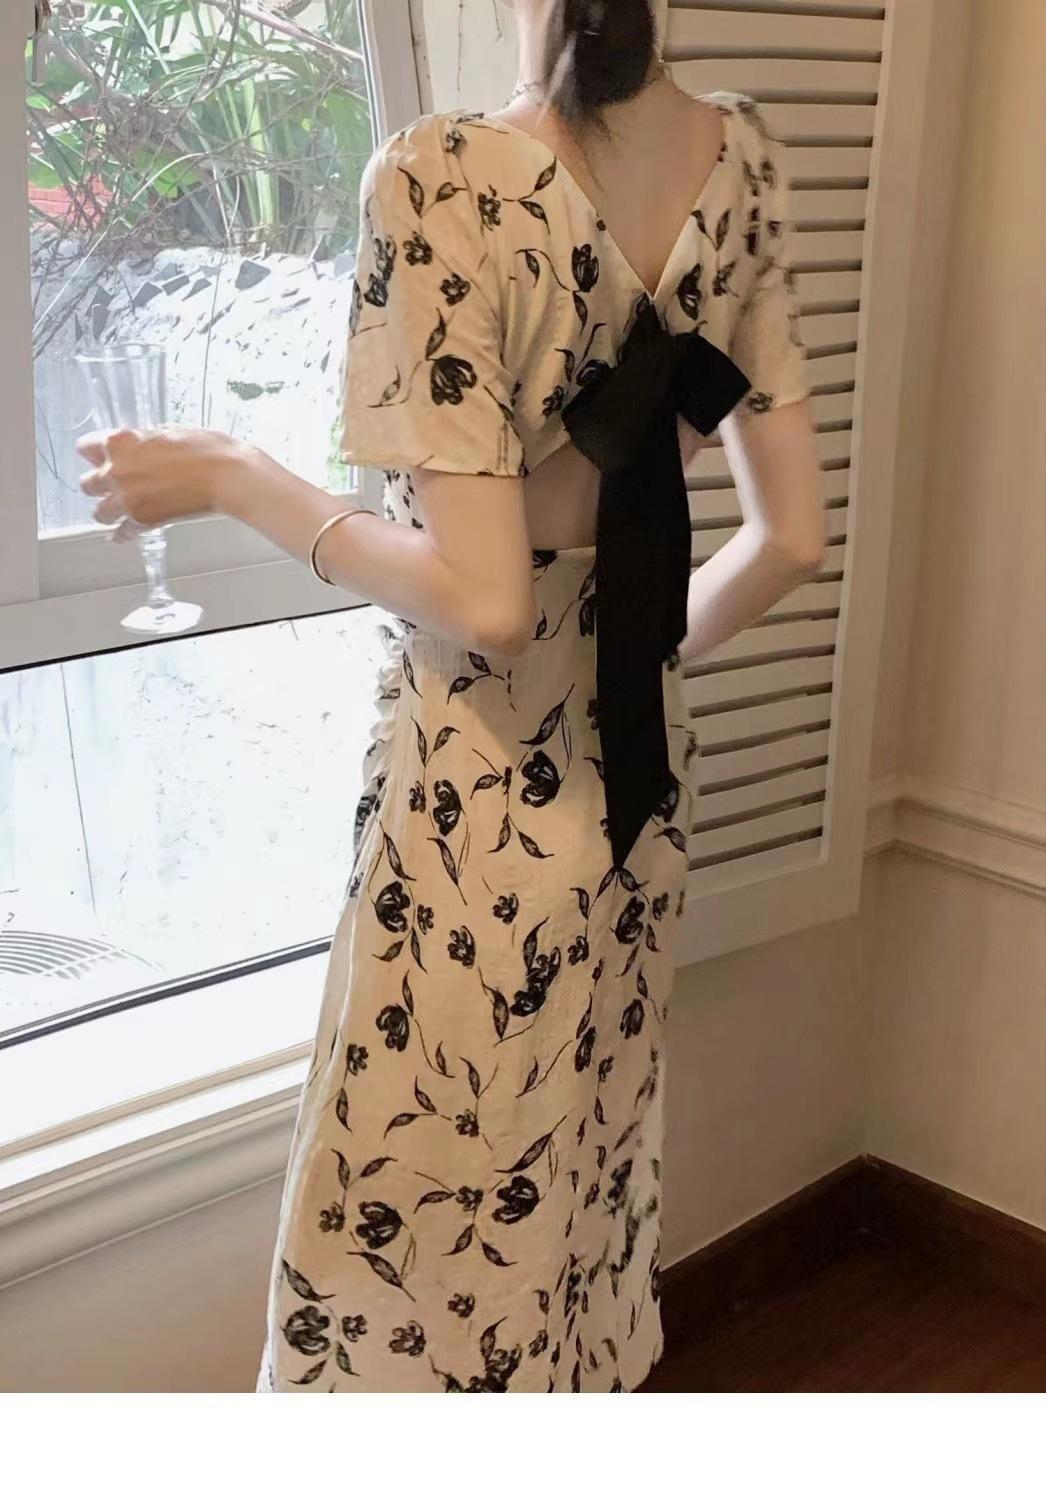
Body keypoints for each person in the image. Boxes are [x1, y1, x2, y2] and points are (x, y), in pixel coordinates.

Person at [78, 0, 825, 1393]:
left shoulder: (445, 176)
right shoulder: (744, 157)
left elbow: (484, 602)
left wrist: (240, 477)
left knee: (404, 1249)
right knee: (569, 1196)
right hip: (638, 792)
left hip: (474, 810)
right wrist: (631, 659)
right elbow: (790, 541)